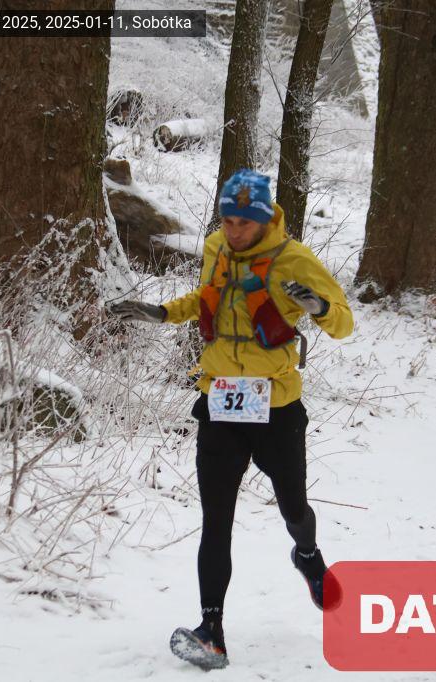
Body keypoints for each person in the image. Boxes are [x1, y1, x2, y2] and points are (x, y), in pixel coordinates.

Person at [109, 169, 353, 669]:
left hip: (276, 405)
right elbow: (207, 301)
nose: (235, 230)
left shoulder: (295, 260)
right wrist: (162, 313)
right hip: (220, 400)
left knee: (294, 509)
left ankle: (307, 555)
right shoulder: (215, 248)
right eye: (228, 220)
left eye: (244, 222)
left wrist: (319, 306)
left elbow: (344, 323)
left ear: (264, 220)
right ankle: (211, 632)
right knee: (215, 521)